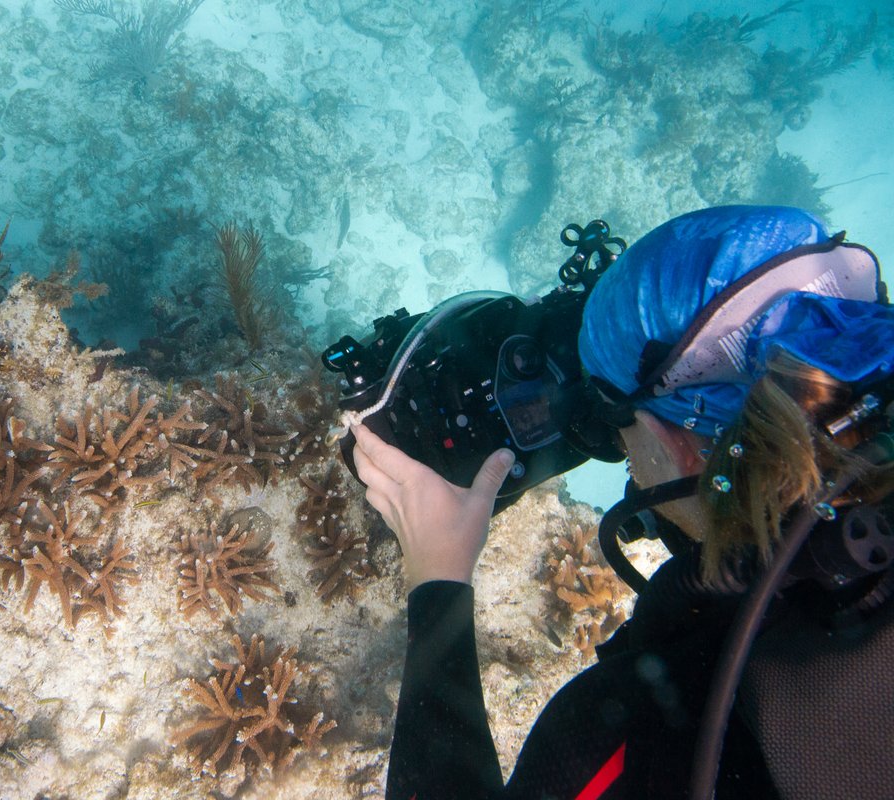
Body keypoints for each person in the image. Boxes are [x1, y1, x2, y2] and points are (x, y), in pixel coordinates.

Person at [350, 205, 894, 799]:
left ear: (676, 442)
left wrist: (439, 578)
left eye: (620, 428)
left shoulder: (647, 730)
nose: (628, 463)